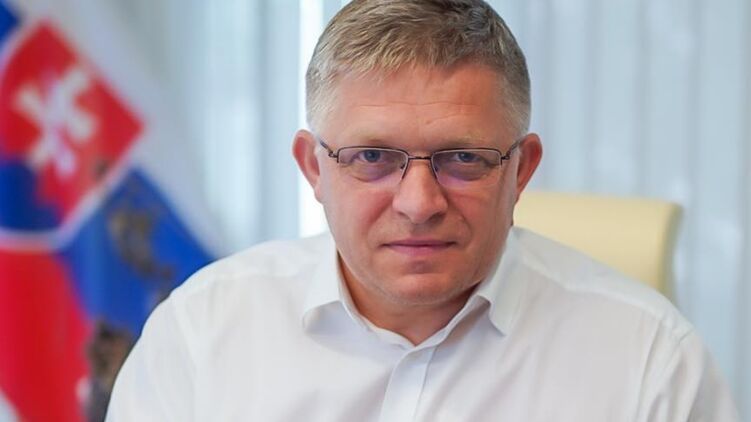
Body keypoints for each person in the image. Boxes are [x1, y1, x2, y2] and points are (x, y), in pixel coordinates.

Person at [106, 1, 738, 420]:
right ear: (313, 168)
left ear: (521, 170)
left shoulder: (651, 362)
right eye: (372, 157)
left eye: (462, 158)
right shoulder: (201, 335)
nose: (418, 204)